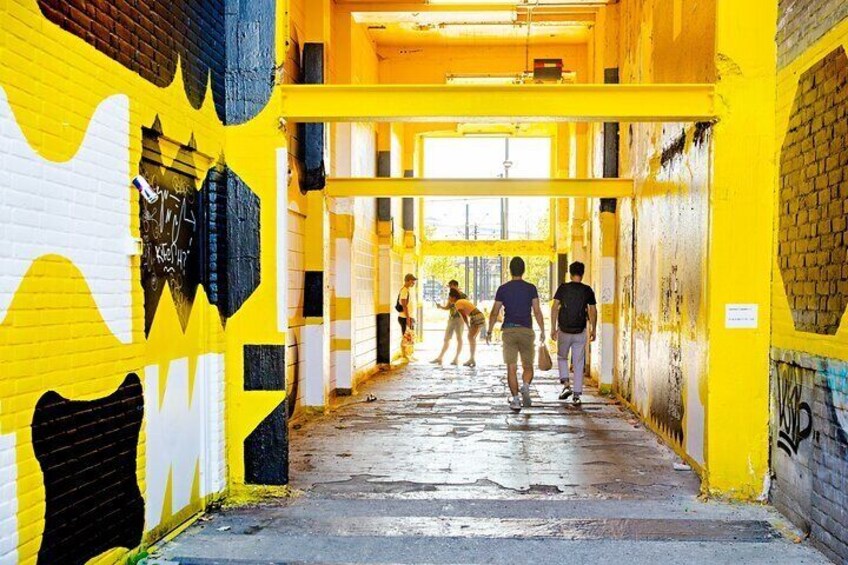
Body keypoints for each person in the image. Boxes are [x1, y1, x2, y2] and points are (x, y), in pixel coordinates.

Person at [486, 257, 546, 412]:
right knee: (528, 366)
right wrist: (543, 330)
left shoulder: (503, 289)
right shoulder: (531, 288)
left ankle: (515, 400)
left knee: (511, 367)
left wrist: (489, 330)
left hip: (509, 331)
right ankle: (525, 385)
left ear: (510, 270)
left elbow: (494, 312)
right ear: (523, 270)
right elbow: (537, 311)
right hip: (526, 331)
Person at [550, 261, 597, 406]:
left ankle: (566, 384)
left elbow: (554, 307)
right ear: (582, 274)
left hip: (564, 330)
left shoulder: (563, 288)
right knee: (578, 362)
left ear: (570, 274)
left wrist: (553, 327)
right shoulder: (587, 290)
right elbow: (593, 310)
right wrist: (593, 329)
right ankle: (577, 395)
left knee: (562, 357)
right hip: (580, 331)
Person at [448, 288, 486, 367]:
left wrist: (467, 325)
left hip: (476, 316)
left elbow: (463, 315)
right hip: (478, 316)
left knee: (471, 337)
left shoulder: (458, 303)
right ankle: (471, 358)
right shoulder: (461, 301)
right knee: (471, 338)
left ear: (454, 297)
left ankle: (472, 359)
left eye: (450, 297)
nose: (449, 299)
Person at [431, 280, 466, 365]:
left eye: (450, 286)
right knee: (446, 339)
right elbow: (448, 307)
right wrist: (441, 307)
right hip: (451, 319)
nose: (449, 288)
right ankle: (440, 358)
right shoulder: (450, 295)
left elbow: (465, 307)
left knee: (459, 339)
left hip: (460, 319)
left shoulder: (463, 295)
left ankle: (456, 359)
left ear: (455, 285)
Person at [397, 273, 417, 356]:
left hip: (408, 317)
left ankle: (408, 354)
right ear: (407, 281)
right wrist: (408, 318)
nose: (414, 283)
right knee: (406, 338)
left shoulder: (407, 290)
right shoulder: (404, 291)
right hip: (405, 318)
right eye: (412, 281)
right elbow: (404, 305)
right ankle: (404, 355)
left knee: (409, 337)